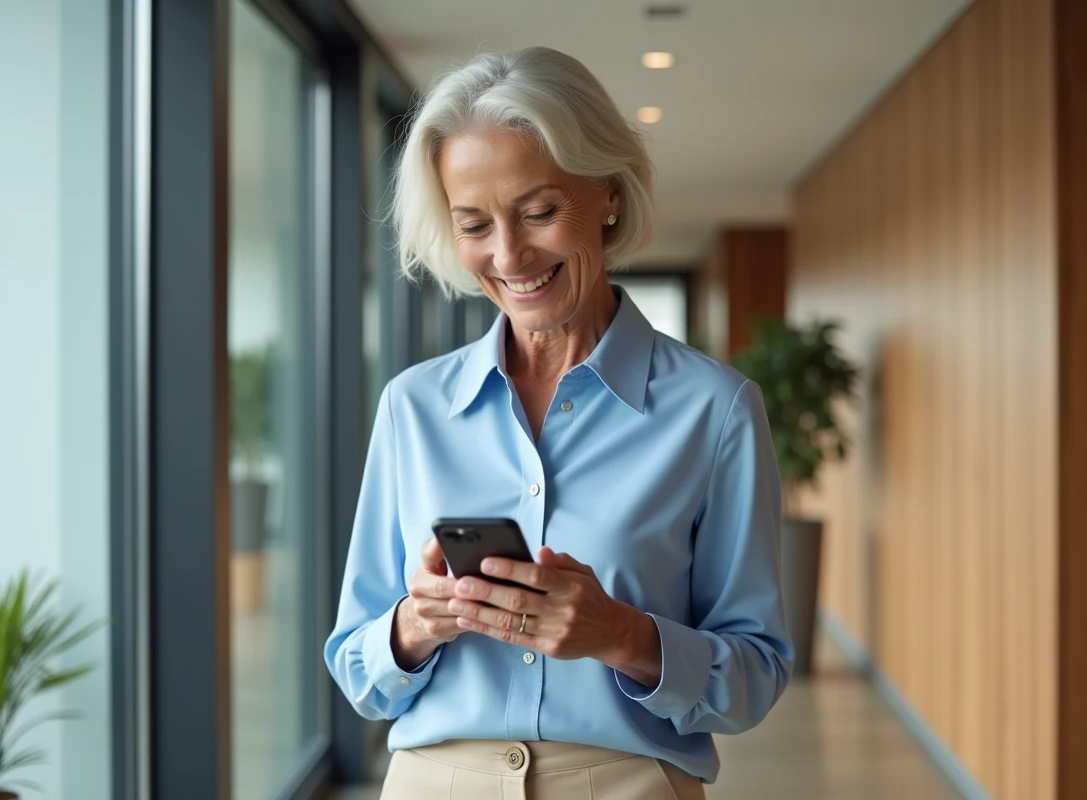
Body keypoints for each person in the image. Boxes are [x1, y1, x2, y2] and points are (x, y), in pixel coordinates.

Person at [325, 46, 793, 799]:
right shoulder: (413, 408)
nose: (509, 255)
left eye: (539, 212)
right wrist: (418, 624)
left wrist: (620, 635)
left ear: (609, 193)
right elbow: (357, 668)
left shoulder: (716, 412)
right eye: (473, 223)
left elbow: (756, 676)